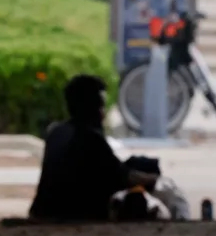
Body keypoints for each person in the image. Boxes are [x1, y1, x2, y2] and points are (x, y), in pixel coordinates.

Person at [29, 75, 160, 222]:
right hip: (76, 215)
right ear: (93, 107)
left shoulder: (57, 132)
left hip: (43, 212)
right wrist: (154, 179)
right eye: (101, 106)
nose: (103, 113)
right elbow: (122, 177)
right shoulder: (90, 138)